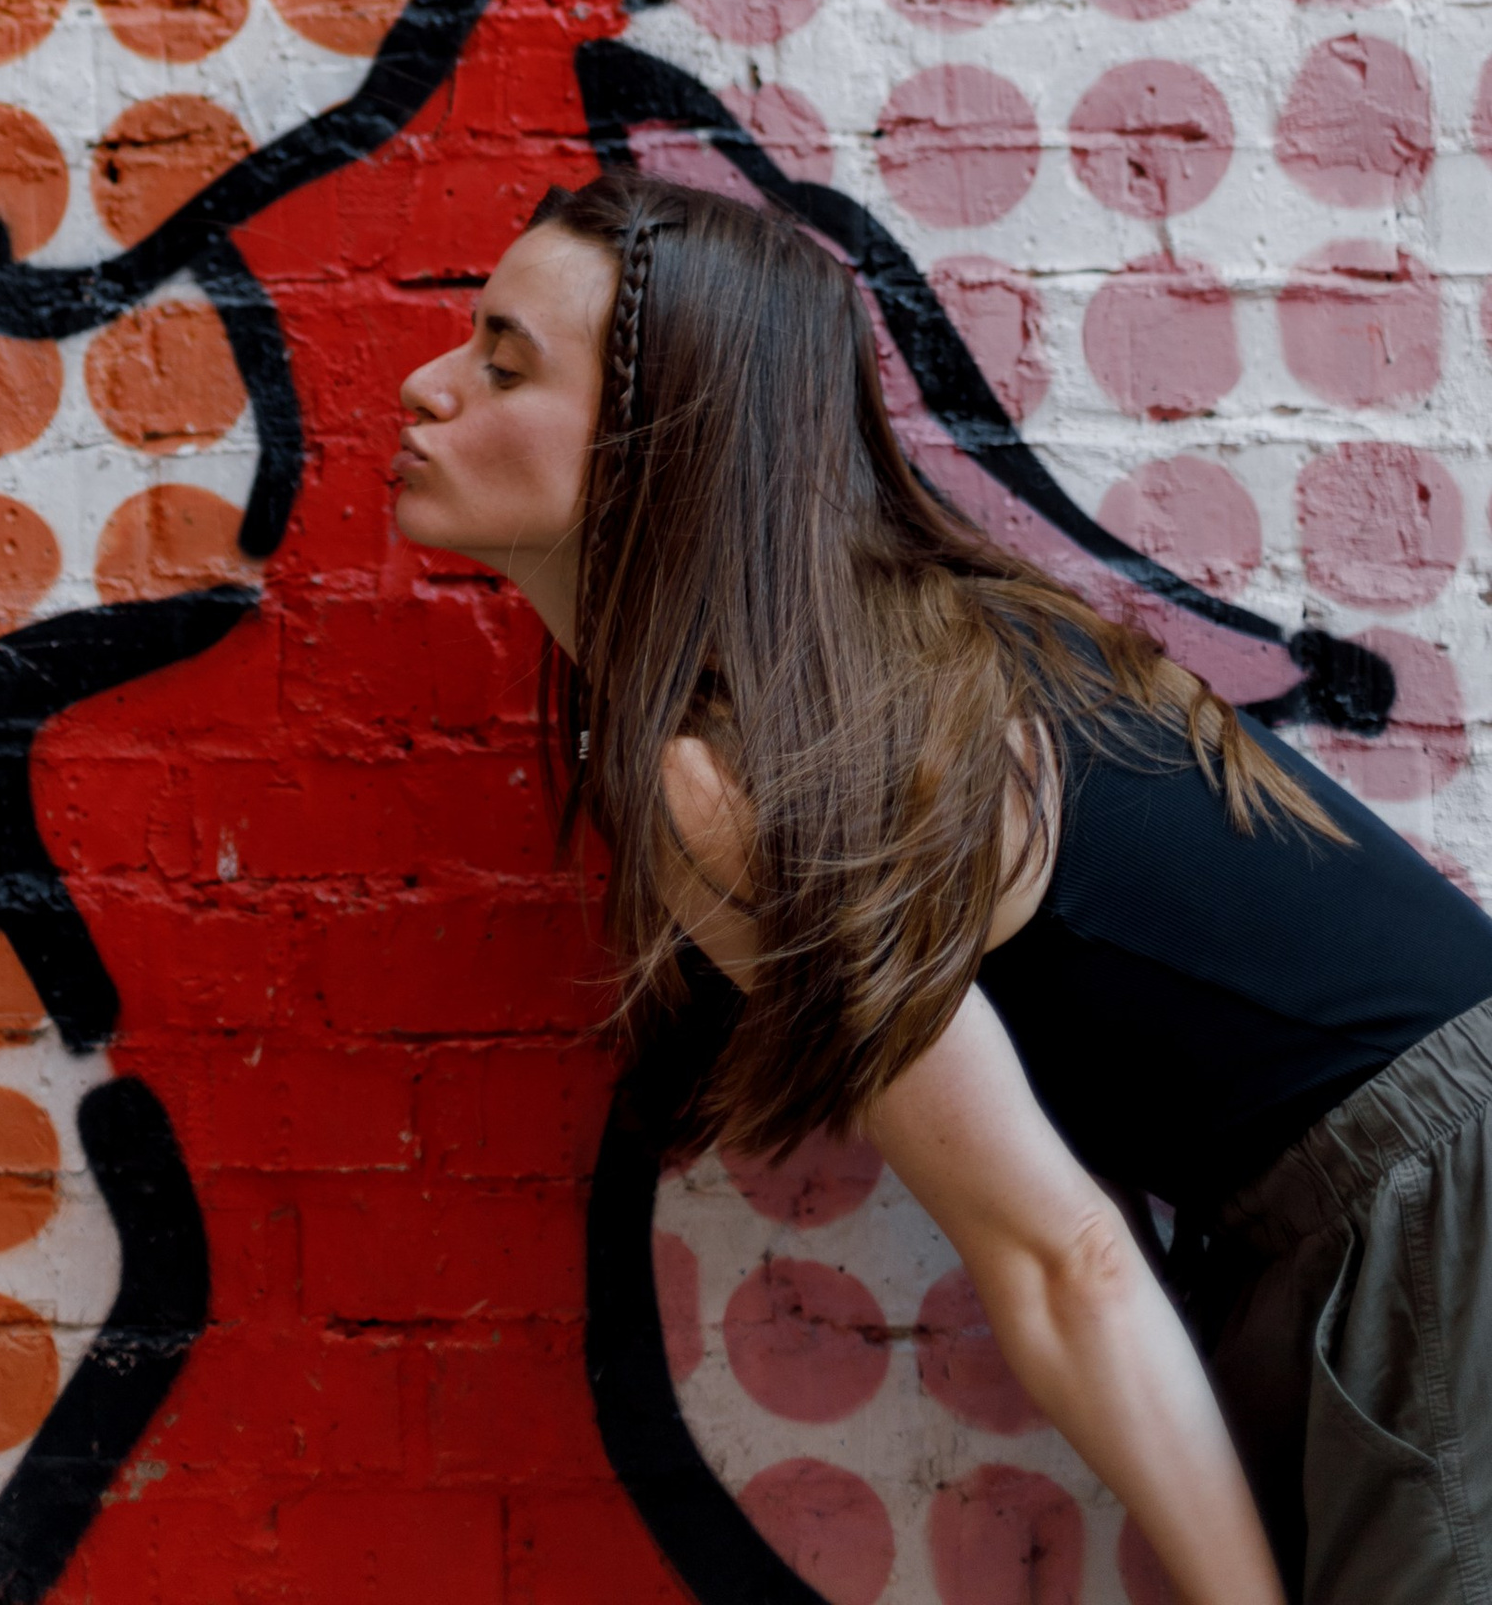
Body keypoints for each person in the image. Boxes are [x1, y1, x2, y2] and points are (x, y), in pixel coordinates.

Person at [392, 168, 1492, 1605]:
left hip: (1438, 1215)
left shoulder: (762, 771)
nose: (423, 386)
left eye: (503, 363)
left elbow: (1062, 1257)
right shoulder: (840, 688)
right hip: (1356, 1227)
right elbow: (1075, 1220)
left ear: (668, 441)